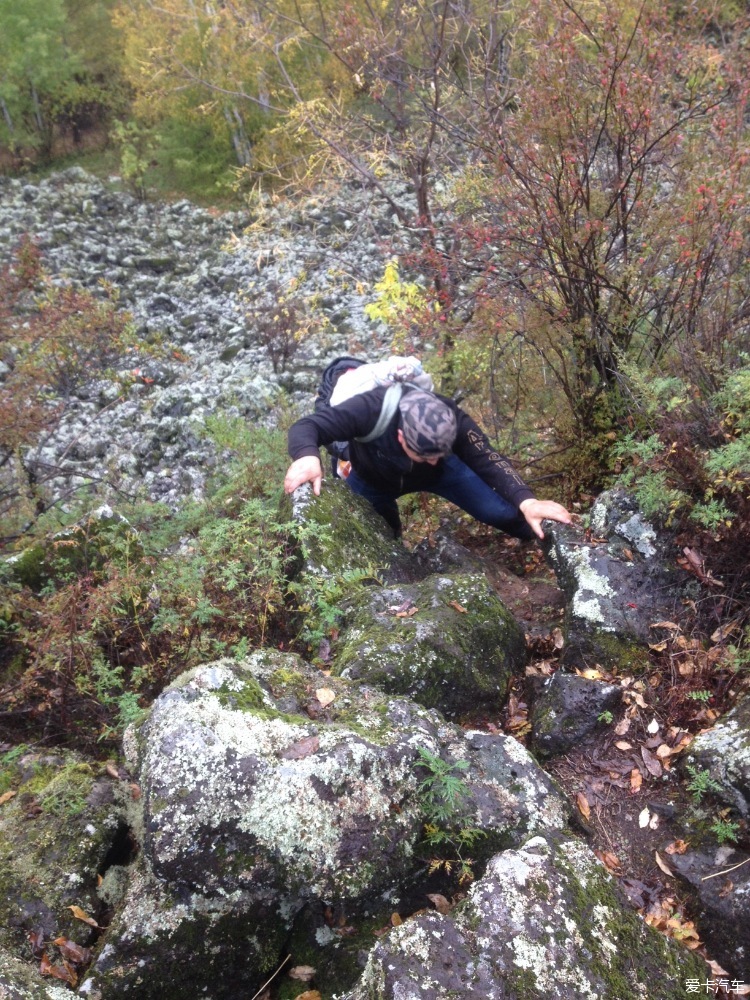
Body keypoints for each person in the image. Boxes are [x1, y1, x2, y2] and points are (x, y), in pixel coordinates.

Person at [284, 383, 571, 540]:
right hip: (374, 477)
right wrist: (307, 456)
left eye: (438, 453)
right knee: (375, 529)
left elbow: (486, 458)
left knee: (501, 512)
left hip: (446, 476)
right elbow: (307, 427)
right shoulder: (369, 409)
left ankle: (543, 540)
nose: (431, 461)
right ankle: (393, 541)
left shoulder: (452, 418)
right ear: (400, 436)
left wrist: (527, 501)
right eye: (424, 455)